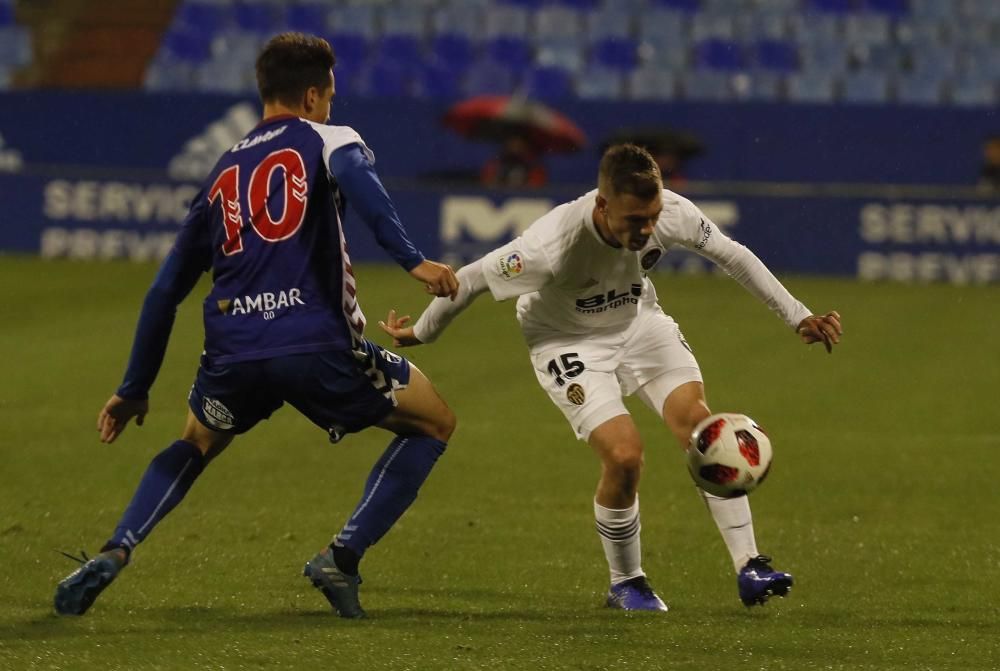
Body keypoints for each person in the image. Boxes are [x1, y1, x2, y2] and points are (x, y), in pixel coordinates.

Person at [53, 33, 459, 619]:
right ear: (315, 94)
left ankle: (118, 548)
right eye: (330, 96)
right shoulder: (329, 138)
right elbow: (364, 188)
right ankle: (341, 557)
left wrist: (134, 387)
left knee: (194, 441)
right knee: (434, 422)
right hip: (315, 345)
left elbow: (164, 290)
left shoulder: (222, 171)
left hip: (234, 349)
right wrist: (413, 260)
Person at [380, 144, 842, 611]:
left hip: (639, 324)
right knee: (624, 457)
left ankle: (749, 565)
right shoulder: (552, 244)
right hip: (566, 342)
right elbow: (472, 279)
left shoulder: (670, 212)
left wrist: (798, 316)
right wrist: (421, 331)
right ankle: (627, 582)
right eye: (634, 220)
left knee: (703, 429)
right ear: (603, 205)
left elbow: (734, 256)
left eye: (652, 216)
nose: (646, 230)